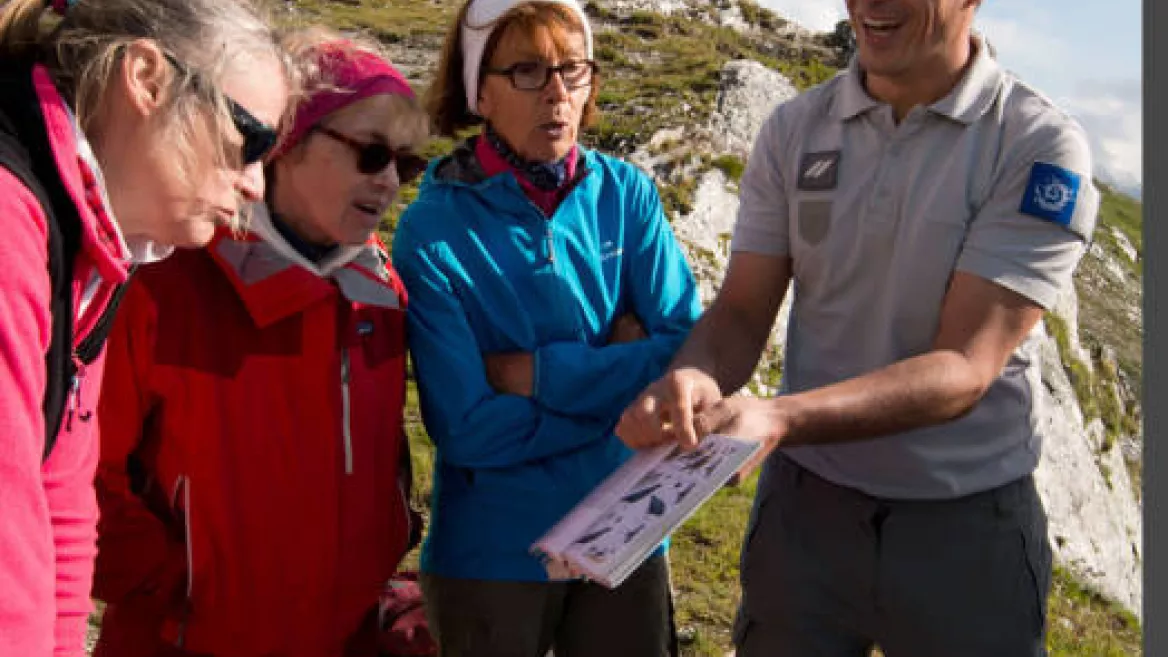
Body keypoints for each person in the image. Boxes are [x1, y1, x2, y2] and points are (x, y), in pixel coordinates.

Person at [618, 0, 1100, 655]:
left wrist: (781, 417)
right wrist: (693, 376)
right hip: (804, 517)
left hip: (964, 532)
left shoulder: (1036, 144)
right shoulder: (794, 128)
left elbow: (964, 364)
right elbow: (739, 312)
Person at [91, 30, 432, 657]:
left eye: (405, 165)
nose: (390, 182)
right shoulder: (169, 278)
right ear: (287, 143)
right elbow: (88, 473)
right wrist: (170, 587)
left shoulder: (381, 291)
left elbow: (387, 461)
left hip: (341, 638)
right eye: (371, 154)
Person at [390, 1, 701, 655]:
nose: (558, 93)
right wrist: (621, 394)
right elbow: (467, 428)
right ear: (479, 89)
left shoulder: (629, 196)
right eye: (528, 71)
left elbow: (686, 351)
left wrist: (538, 376)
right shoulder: (433, 229)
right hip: (495, 553)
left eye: (572, 68)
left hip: (626, 537)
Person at [0, 0, 290, 655]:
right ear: (147, 79)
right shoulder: (11, 220)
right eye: (247, 141)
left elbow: (61, 509)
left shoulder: (99, 237)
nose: (254, 185)